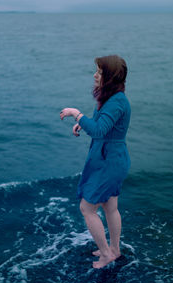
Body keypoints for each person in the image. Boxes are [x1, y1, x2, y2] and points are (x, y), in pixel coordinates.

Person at [60, 55, 131, 269]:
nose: (95, 75)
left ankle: (108, 254)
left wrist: (76, 114)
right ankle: (115, 249)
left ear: (109, 77)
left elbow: (99, 130)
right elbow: (101, 124)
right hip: (108, 157)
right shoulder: (112, 98)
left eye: (99, 72)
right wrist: (83, 124)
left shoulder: (117, 102)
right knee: (110, 206)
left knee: (87, 208)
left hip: (109, 161)